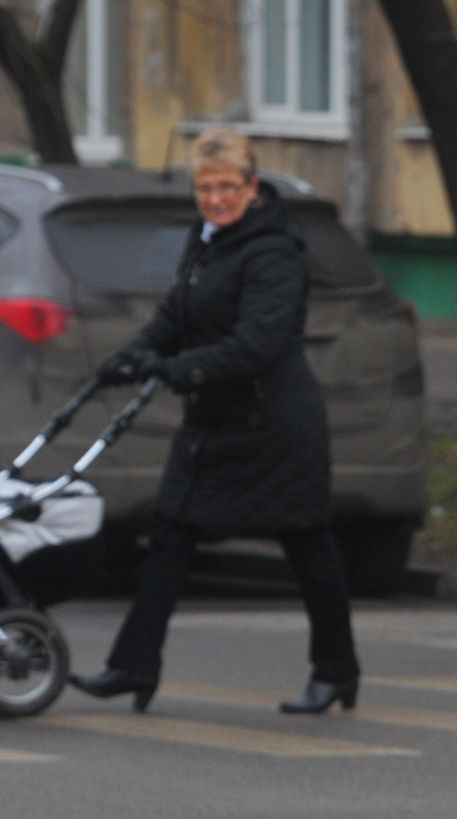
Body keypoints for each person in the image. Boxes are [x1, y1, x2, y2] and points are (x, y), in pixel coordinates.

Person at [68, 127, 359, 715]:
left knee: (307, 546)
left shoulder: (274, 252)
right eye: (206, 187)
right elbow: (176, 313)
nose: (217, 198)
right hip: (216, 420)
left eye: (228, 186)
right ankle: (132, 666)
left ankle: (336, 672)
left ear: (252, 187)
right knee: (169, 537)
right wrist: (131, 356)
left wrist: (174, 369)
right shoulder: (208, 242)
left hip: (274, 424)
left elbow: (258, 344)